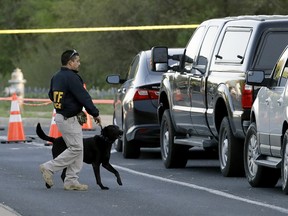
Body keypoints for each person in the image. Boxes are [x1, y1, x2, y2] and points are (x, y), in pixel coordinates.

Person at [39, 49, 101, 191]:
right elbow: (84, 96)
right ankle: (48, 167)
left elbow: (51, 94)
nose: (79, 64)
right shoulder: (72, 77)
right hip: (69, 118)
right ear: (70, 62)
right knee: (76, 148)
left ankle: (71, 181)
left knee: (78, 149)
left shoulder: (56, 76)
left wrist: (67, 104)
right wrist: (95, 113)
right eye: (77, 61)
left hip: (62, 116)